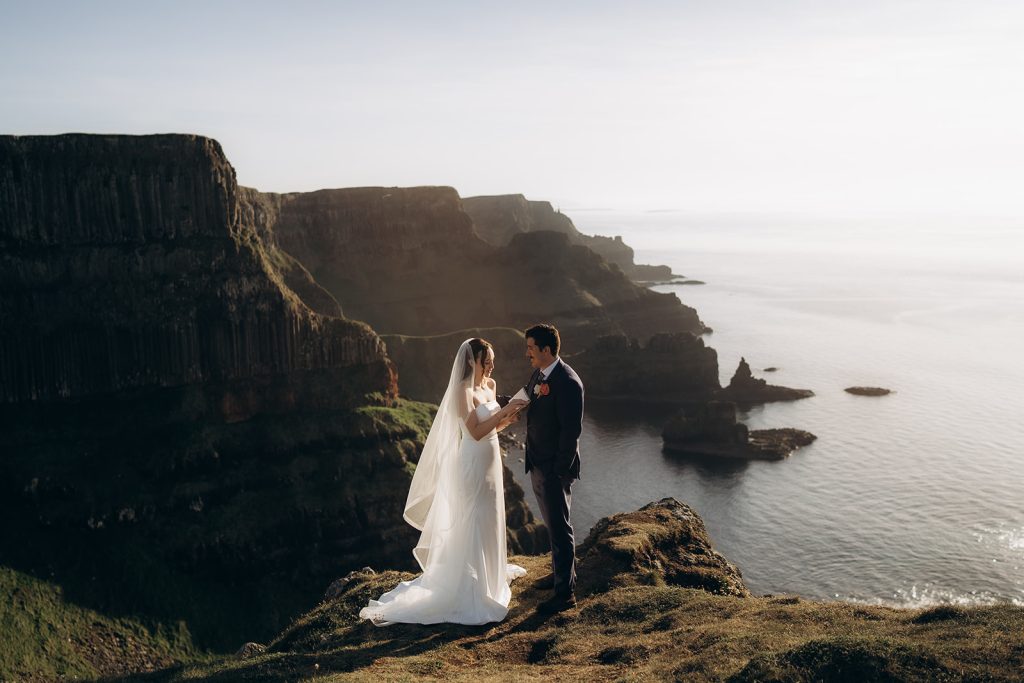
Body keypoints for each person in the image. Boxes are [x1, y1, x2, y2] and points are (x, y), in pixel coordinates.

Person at [359, 338, 528, 625]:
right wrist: (501, 412)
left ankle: (492, 575)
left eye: (492, 363)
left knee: (490, 514)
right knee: (472, 516)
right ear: (473, 361)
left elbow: (491, 427)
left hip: (491, 459)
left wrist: (507, 419)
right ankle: (471, 585)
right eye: (487, 362)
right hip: (472, 460)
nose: (491, 367)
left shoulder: (491, 386)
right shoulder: (462, 391)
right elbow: (473, 432)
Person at [522, 323, 584, 613]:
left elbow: (571, 433)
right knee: (552, 524)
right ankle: (561, 574)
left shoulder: (569, 382)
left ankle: (565, 595)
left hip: (553, 469)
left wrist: (558, 472)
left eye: (532, 348)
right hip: (537, 462)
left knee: (561, 528)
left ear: (546, 350)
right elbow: (526, 400)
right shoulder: (541, 374)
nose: (528, 354)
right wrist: (491, 405)